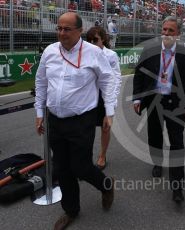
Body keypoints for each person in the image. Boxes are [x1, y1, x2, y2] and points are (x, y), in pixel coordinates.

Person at [34, 12, 116, 230]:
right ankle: (71, 210)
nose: (62, 33)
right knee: (62, 167)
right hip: (55, 120)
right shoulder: (50, 52)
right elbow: (41, 82)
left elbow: (108, 81)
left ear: (79, 31)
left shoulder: (93, 53)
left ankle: (106, 186)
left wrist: (109, 111)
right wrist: (39, 113)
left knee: (80, 167)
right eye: (59, 28)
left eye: (67, 29)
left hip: (82, 119)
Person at [132, 16, 185, 203]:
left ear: (178, 34)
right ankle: (157, 163)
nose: (166, 33)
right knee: (155, 135)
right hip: (154, 100)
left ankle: (177, 186)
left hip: (176, 103)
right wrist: (137, 98)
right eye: (164, 30)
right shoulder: (150, 50)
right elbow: (139, 74)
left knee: (177, 142)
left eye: (171, 31)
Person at [86, 26, 122, 170]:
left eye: (95, 40)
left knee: (105, 128)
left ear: (103, 39)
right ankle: (85, 159)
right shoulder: (84, 54)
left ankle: (102, 155)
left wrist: (112, 101)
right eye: (89, 40)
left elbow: (117, 79)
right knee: (86, 129)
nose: (92, 43)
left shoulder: (111, 55)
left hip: (104, 96)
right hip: (88, 97)